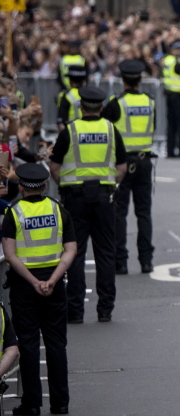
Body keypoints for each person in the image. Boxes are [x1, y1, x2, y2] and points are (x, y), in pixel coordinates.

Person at [1, 163, 76, 416]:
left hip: (25, 286)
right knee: (56, 343)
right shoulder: (58, 209)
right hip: (54, 285)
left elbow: (10, 255)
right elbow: (71, 250)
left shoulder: (14, 213)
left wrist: (33, 282)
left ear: (21, 186)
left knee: (30, 344)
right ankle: (60, 402)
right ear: (44, 185)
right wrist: (53, 280)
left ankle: (32, 403)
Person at [48, 86, 127, 324]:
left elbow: (54, 166)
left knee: (75, 253)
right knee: (105, 253)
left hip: (75, 198)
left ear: (80, 107)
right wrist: (111, 185)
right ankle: (105, 310)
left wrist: (64, 185)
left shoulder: (70, 131)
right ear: (101, 108)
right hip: (104, 198)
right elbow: (121, 168)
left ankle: (76, 311)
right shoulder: (112, 130)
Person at [102, 59, 156, 275]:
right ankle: (146, 261)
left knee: (120, 213)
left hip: (122, 163)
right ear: (140, 79)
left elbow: (105, 129)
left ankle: (121, 261)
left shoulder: (117, 103)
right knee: (144, 213)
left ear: (122, 79)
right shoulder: (150, 102)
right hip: (144, 161)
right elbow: (154, 128)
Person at [56, 64, 87, 128]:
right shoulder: (90, 94)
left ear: (70, 80)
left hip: (72, 132)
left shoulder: (66, 96)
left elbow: (61, 122)